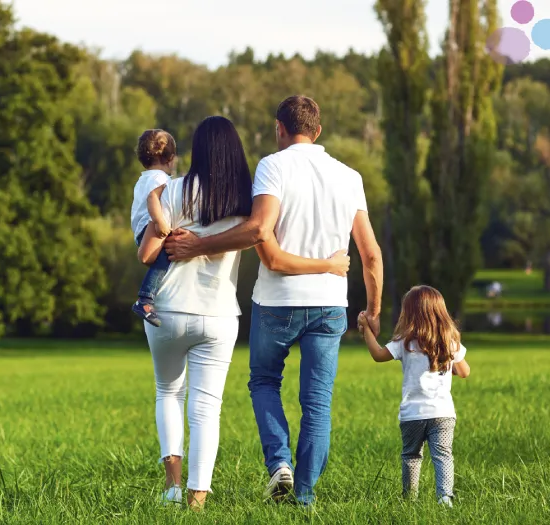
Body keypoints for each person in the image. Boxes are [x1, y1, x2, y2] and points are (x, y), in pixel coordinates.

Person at [164, 96, 383, 506]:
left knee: (264, 381)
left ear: (279, 128)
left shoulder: (273, 166)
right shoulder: (349, 176)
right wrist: (372, 310)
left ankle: (279, 464)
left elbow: (259, 229)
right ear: (318, 131)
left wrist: (198, 246)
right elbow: (370, 253)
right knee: (317, 401)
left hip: (277, 302)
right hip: (330, 304)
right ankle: (303, 497)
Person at [357, 285, 471, 507]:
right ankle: (445, 498)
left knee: (411, 456)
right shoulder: (449, 342)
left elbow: (379, 355)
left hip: (412, 415)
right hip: (443, 413)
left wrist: (367, 331)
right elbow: (464, 371)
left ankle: (410, 499)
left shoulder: (405, 341)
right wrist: (447, 364)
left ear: (408, 313)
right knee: (443, 456)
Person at [130, 129, 177, 327]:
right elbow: (153, 201)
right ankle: (145, 299)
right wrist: (160, 222)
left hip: (140, 232)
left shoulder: (143, 179)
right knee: (166, 256)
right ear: (171, 158)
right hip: (151, 229)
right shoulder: (161, 179)